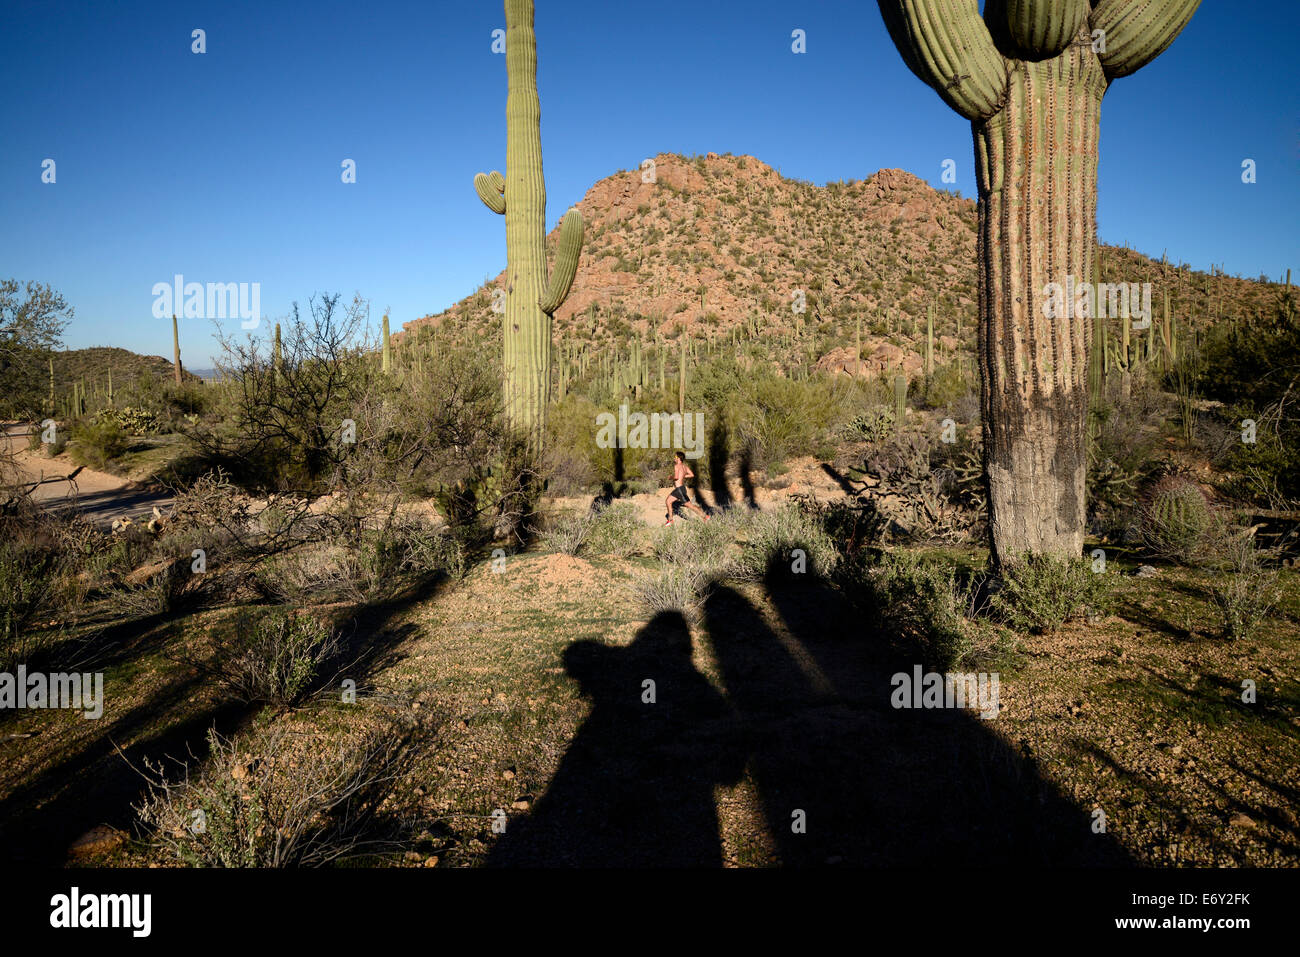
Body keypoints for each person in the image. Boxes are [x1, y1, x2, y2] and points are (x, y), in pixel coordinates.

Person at [664, 451, 709, 525]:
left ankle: (705, 516)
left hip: (679, 490)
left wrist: (670, 477)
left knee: (689, 505)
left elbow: (676, 477)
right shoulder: (685, 467)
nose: (674, 458)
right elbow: (692, 475)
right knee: (668, 501)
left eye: (675, 457)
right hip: (681, 489)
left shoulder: (676, 466)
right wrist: (683, 476)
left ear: (678, 458)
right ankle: (670, 520)